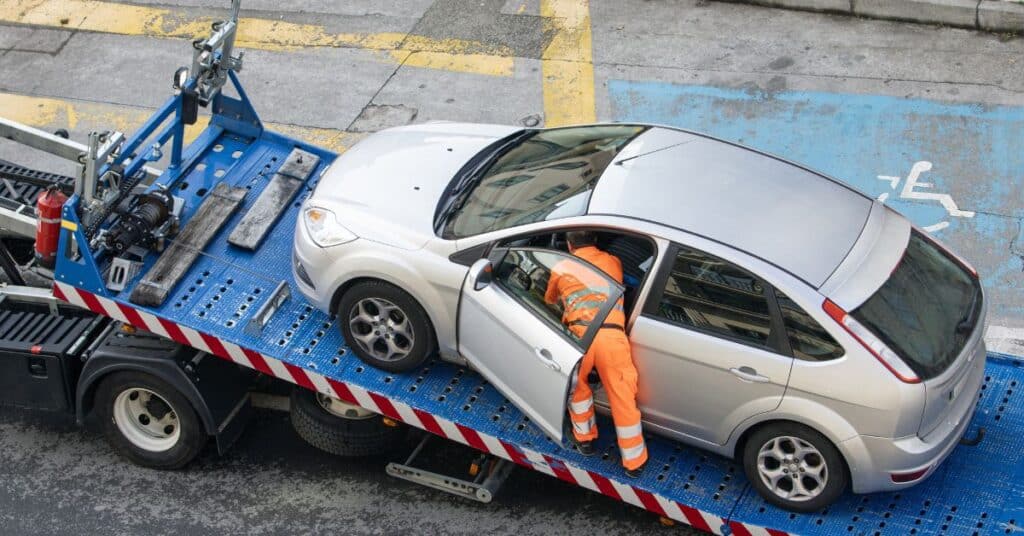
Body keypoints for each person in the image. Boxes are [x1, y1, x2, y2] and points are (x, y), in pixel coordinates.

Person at [544, 230, 648, 477]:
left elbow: (549, 300)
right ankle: (634, 462)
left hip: (579, 337)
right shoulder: (613, 261)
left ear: (569, 245)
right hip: (612, 336)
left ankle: (585, 440)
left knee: (577, 390)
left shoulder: (561, 267)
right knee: (622, 397)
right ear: (596, 241)